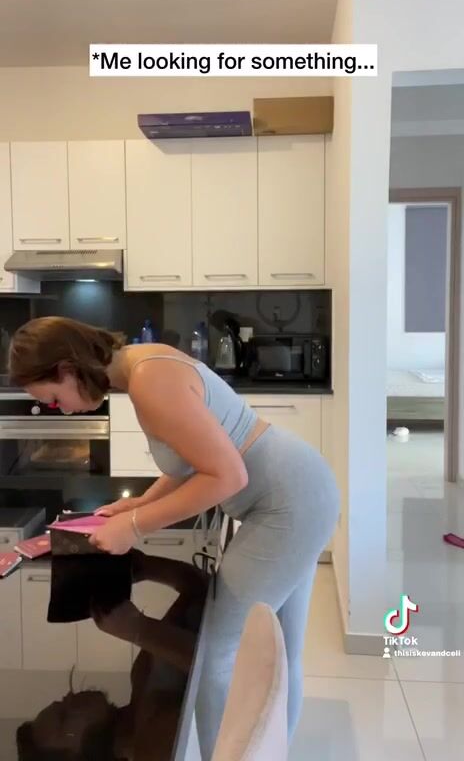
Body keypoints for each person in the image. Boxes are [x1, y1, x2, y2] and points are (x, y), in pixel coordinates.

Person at [9, 316, 340, 759]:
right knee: (284, 651)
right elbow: (191, 459)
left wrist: (135, 526)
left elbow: (228, 475)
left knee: (217, 655)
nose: (61, 409)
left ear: (68, 369)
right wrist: (137, 504)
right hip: (299, 491)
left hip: (287, 504)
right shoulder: (143, 367)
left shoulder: (149, 381)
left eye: (53, 398)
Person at [16, 548, 208, 760]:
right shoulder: (153, 749)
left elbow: (199, 589)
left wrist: (142, 567)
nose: (70, 697)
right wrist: (140, 630)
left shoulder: (141, 676)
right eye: (64, 717)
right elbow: (229, 676)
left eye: (61, 702)